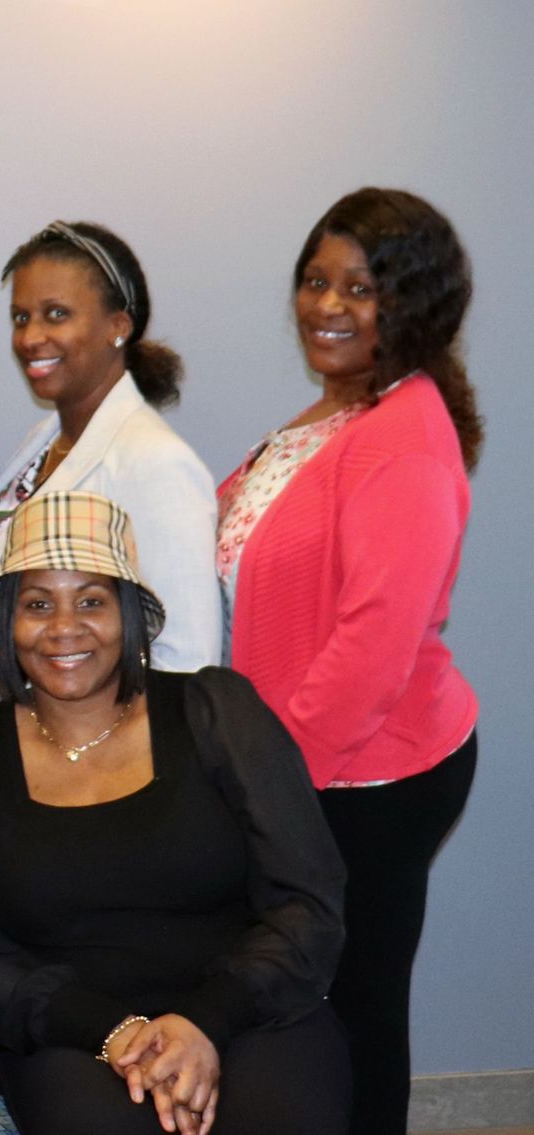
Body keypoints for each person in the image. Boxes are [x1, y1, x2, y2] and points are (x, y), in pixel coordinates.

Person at [0, 491, 348, 1135]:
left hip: (250, 1011)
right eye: (38, 604)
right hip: (70, 1036)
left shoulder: (217, 713)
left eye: (91, 600)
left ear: (128, 615)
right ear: (7, 625)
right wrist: (113, 1030)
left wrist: (205, 1021)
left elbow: (307, 901)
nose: (65, 627)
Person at [217, 187, 481, 1135]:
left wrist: (274, 786)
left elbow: (373, 648)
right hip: (308, 757)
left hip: (372, 771)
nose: (328, 304)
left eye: (361, 287)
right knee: (325, 1007)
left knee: (360, 1009)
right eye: (316, 281)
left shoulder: (404, 436)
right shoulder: (336, 415)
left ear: (410, 303)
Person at [0, 220, 220, 675]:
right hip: (25, 726)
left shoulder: (157, 461)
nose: (30, 337)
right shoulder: (43, 439)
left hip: (102, 740)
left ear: (117, 326)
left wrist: (119, 747)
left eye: (56, 314)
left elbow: (188, 660)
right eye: (21, 317)